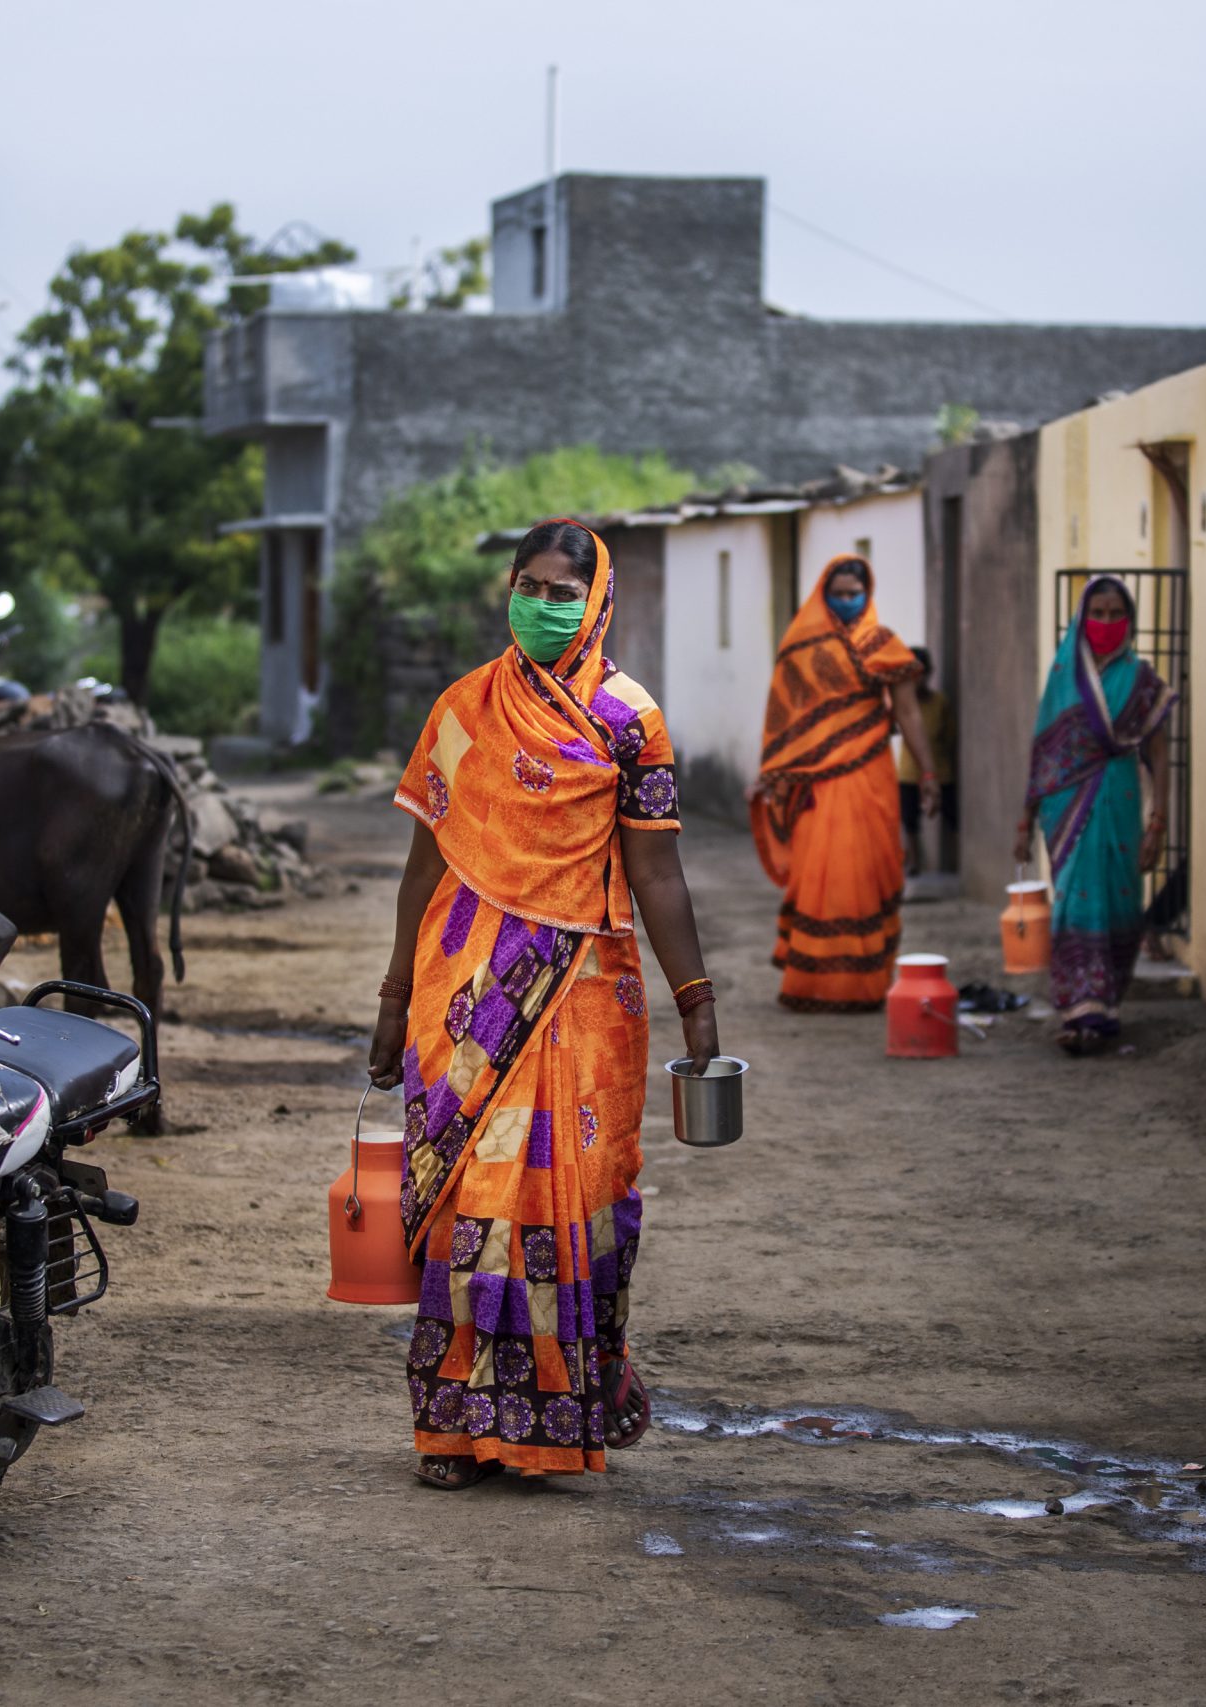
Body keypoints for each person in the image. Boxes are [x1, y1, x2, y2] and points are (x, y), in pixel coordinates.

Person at [367, 518, 721, 1490]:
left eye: (563, 590)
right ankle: (456, 1425)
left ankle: (553, 1418)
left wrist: (698, 1002)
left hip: (581, 1002)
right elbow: (420, 862)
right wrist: (394, 995)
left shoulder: (628, 719)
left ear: (598, 598)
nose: (541, 603)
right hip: (465, 1001)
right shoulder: (460, 708)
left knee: (561, 1207)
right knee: (472, 1209)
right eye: (527, 584)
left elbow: (658, 871)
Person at [749, 555, 937, 1011]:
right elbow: (784, 716)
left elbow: (909, 712)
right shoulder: (801, 648)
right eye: (840, 593)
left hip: (871, 774)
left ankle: (866, 985)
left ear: (868, 595)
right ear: (823, 594)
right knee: (820, 873)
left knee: (870, 867)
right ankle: (811, 984)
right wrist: (771, 771)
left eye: (856, 593)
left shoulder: (883, 644)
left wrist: (928, 772)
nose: (848, 601)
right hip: (817, 783)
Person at [1014, 575, 1178, 1055]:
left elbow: (1161, 757)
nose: (1106, 622)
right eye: (1098, 613)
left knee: (1120, 902)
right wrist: (1023, 822)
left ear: (1128, 620)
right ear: (1082, 620)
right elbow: (1043, 755)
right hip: (1067, 809)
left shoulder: (1144, 681)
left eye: (1115, 614)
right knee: (1073, 903)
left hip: (1123, 800)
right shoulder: (1063, 675)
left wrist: (1159, 821)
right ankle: (1078, 1009)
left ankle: (1106, 1006)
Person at [895, 645, 957, 876]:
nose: (917, 680)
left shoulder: (939, 702)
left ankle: (954, 862)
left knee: (952, 815)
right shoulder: (902, 704)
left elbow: (950, 737)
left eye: (921, 674)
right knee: (910, 821)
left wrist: (932, 772)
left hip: (940, 771)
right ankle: (913, 863)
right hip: (909, 773)